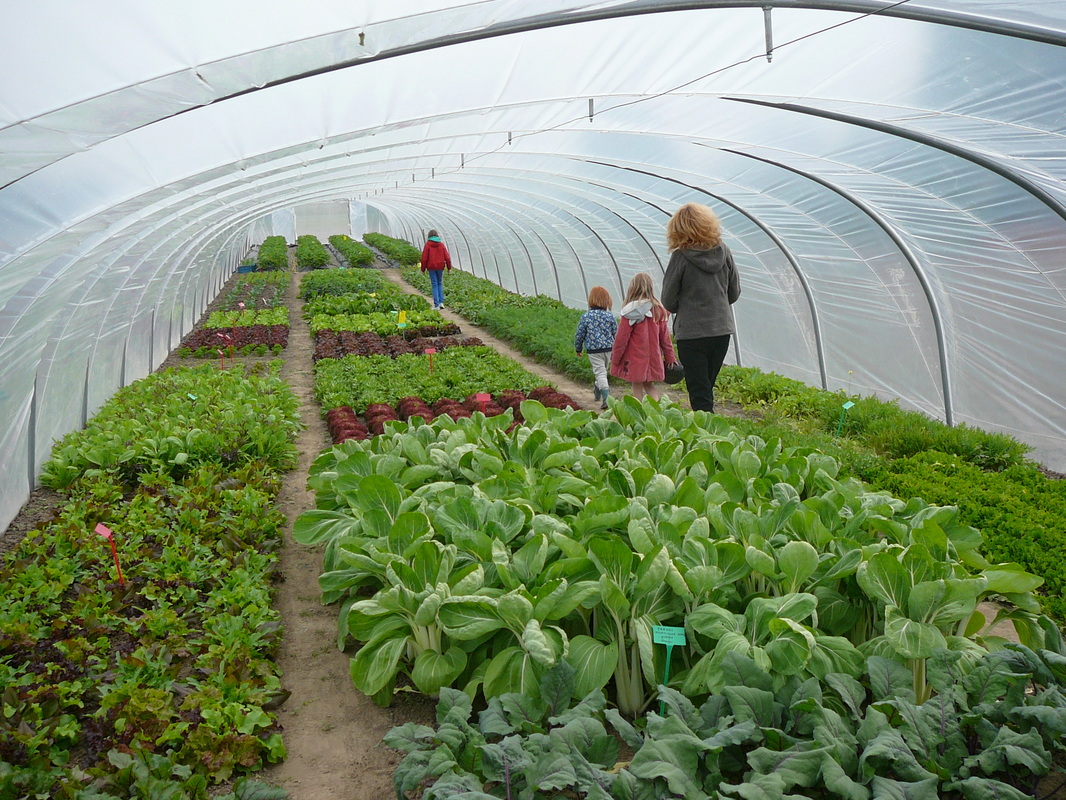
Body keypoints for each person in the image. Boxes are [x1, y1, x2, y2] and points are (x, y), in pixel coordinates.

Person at [661, 203, 741, 413]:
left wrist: (689, 307)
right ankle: (711, 433)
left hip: (692, 334)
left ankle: (706, 437)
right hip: (721, 331)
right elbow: (734, 292)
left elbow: (668, 300)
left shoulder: (681, 257)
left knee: (699, 391)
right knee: (706, 387)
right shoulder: (724, 251)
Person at [610, 272, 677, 402]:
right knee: (648, 384)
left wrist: (616, 358)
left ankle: (639, 415)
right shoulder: (658, 310)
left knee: (637, 385)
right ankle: (656, 412)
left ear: (632, 288)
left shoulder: (630, 311)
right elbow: (665, 339)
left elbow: (621, 339)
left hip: (635, 358)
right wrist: (670, 358)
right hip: (653, 357)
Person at [574, 286, 618, 410]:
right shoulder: (610, 317)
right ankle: (597, 392)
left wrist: (578, 348)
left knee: (600, 373)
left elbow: (580, 333)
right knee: (602, 371)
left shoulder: (587, 316)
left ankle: (606, 398)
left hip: (594, 350)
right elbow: (617, 333)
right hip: (609, 349)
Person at [420, 229, 452, 309]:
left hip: (431, 267)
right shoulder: (441, 245)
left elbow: (424, 258)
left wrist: (423, 269)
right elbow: (447, 257)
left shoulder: (428, 245)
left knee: (434, 284)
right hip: (440, 267)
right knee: (439, 283)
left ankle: (436, 305)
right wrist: (449, 267)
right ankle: (441, 303)